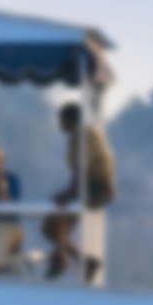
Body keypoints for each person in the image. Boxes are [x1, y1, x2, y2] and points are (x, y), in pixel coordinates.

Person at [46, 99, 117, 282]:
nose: (59, 124)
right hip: (90, 185)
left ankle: (62, 260)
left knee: (53, 226)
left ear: (69, 119)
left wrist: (68, 194)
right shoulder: (79, 134)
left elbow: (82, 168)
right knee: (52, 226)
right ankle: (75, 260)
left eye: (61, 119)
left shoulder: (82, 134)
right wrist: (68, 194)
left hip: (97, 187)